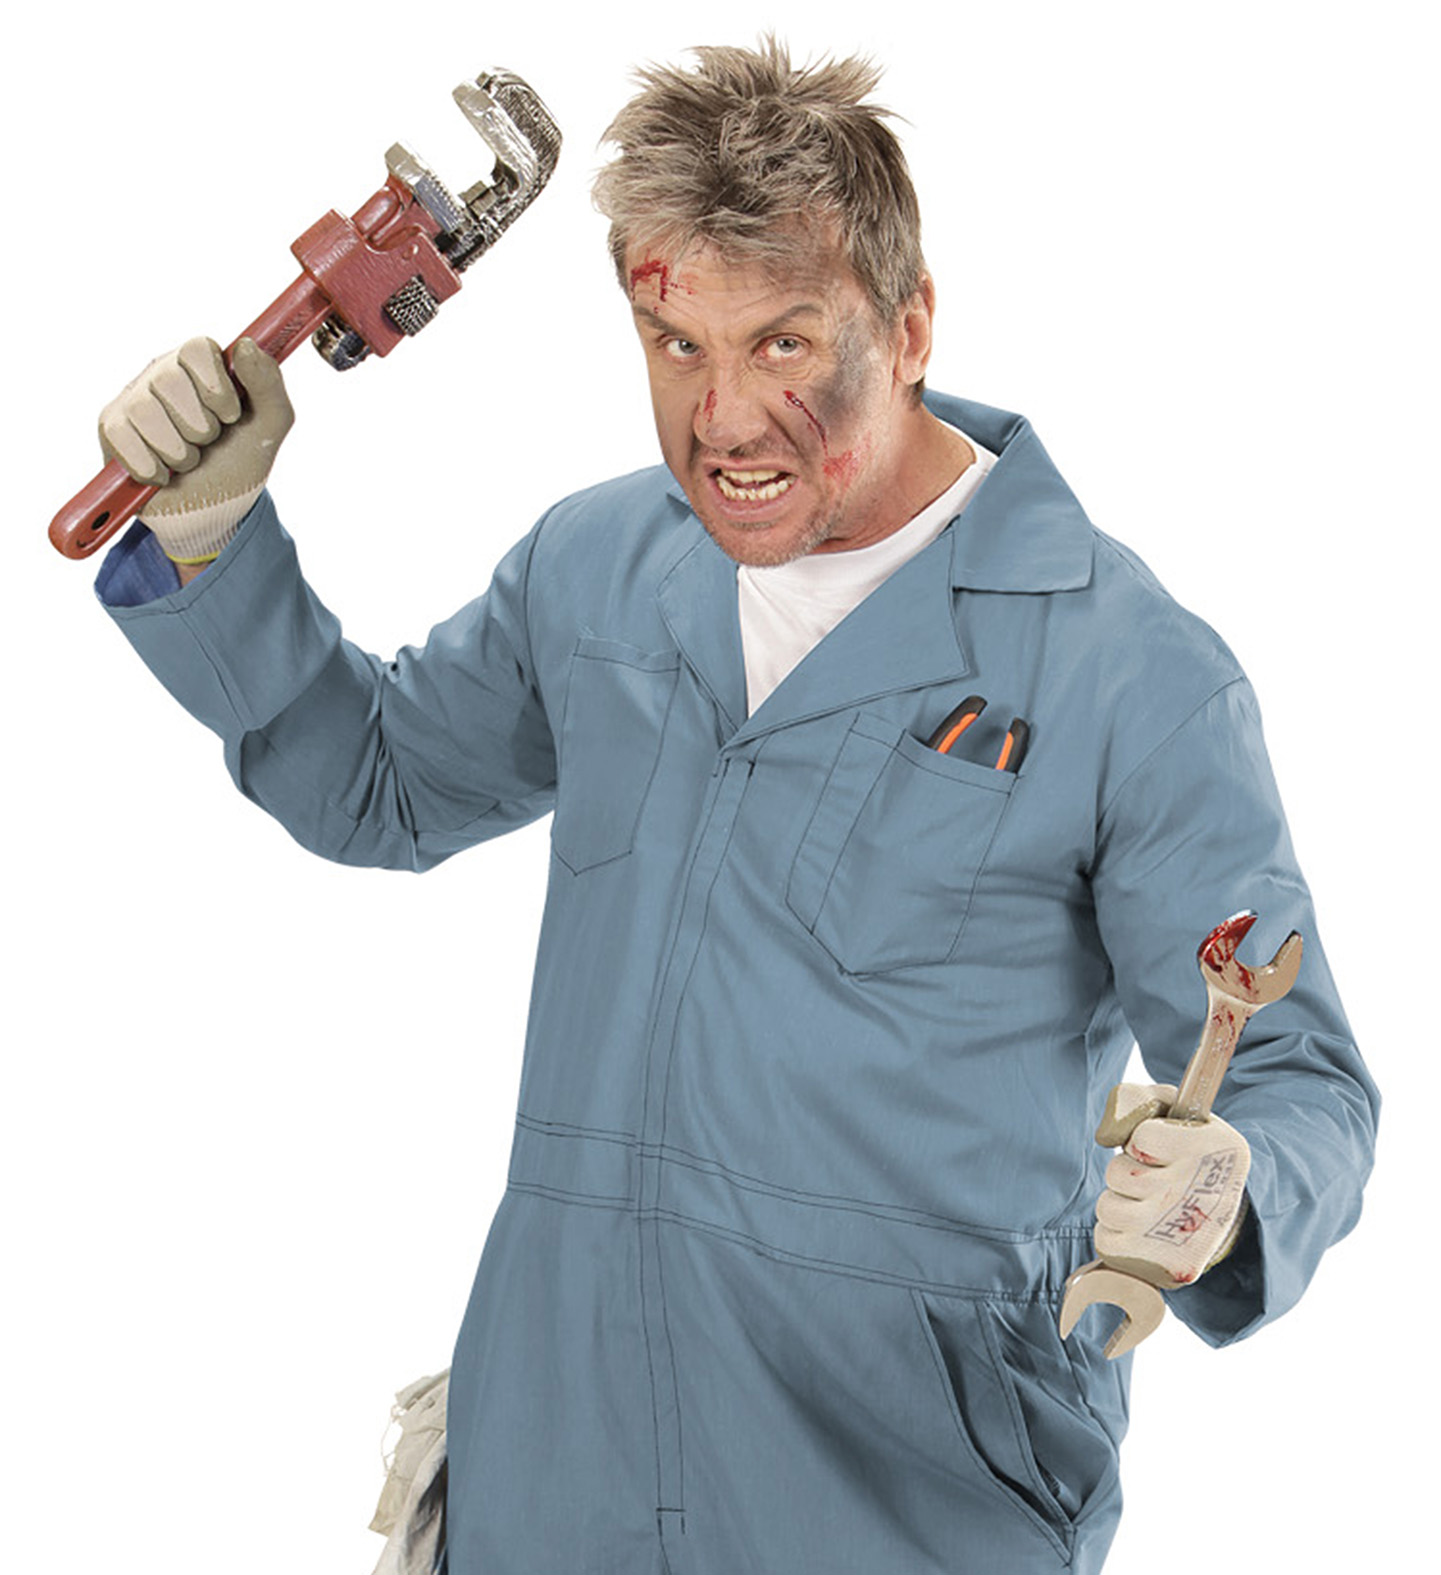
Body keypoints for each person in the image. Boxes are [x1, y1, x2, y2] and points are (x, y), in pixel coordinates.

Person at [88, 38, 1378, 1575]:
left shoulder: (1125, 671)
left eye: (782, 344)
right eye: (673, 342)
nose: (724, 420)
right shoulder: (597, 569)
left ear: (907, 325)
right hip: (550, 1477)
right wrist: (214, 532)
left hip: (897, 1506)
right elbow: (375, 783)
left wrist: (1235, 1194)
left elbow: (1298, 1078)